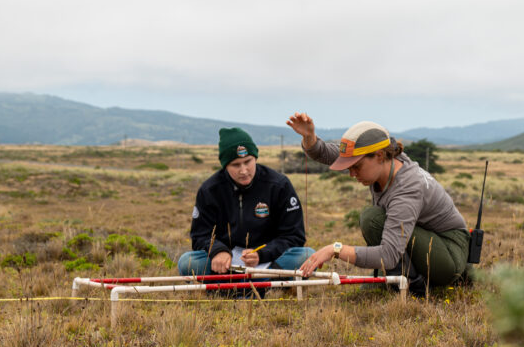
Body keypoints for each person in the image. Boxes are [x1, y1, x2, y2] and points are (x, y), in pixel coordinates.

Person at [286, 113, 469, 294]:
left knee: (373, 220)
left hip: (448, 253)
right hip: (427, 238)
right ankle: (398, 279)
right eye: (350, 167)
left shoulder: (407, 189)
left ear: (380, 156)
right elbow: (327, 153)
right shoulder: (387, 161)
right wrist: (309, 137)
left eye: (356, 167)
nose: (352, 174)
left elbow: (388, 255)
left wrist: (335, 249)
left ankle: (413, 286)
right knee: (374, 220)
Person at [178, 127, 314, 282]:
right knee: (187, 262)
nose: (243, 170)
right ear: (225, 165)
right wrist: (217, 251)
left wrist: (262, 254)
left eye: (247, 162)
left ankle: (243, 285)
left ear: (255, 157)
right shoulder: (209, 190)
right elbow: (200, 235)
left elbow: (294, 236)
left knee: (307, 256)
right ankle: (260, 285)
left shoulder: (279, 185)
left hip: (268, 261)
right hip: (227, 264)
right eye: (236, 165)